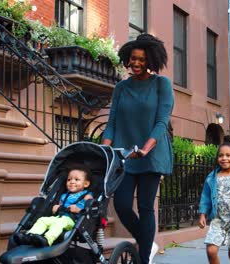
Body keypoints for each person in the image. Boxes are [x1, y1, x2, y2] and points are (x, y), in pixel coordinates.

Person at [101, 33, 174, 264]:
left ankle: (144, 259)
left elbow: (162, 122)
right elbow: (111, 123)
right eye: (133, 58)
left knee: (145, 206)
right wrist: (104, 150)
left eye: (141, 59)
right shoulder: (121, 87)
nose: (136, 63)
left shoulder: (162, 84)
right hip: (125, 155)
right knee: (121, 204)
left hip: (151, 155)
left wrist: (145, 148)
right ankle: (146, 242)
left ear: (151, 60)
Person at [14, 165, 93, 247]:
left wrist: (78, 209)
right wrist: (56, 208)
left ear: (86, 184)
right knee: (42, 220)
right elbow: (59, 206)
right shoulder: (64, 195)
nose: (72, 182)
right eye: (69, 179)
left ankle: (47, 240)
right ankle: (30, 236)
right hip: (59, 217)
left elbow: (90, 209)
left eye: (77, 180)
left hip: (73, 221)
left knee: (59, 223)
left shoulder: (87, 195)